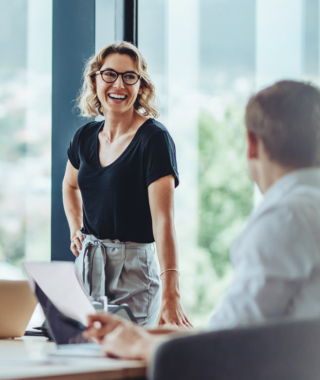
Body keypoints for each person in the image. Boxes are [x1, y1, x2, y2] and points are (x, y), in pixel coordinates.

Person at [84, 80, 320, 361]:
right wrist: (142, 334)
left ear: (252, 145)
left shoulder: (285, 220)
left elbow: (225, 347)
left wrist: (138, 345)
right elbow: (234, 330)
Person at [64, 42, 190, 327]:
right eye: (109, 74)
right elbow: (70, 186)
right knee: (82, 358)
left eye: (129, 76)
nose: (118, 84)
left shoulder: (154, 139)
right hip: (87, 264)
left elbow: (163, 222)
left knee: (127, 364)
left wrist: (172, 293)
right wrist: (76, 228)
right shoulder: (84, 136)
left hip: (133, 271)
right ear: (95, 80)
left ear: (141, 85)